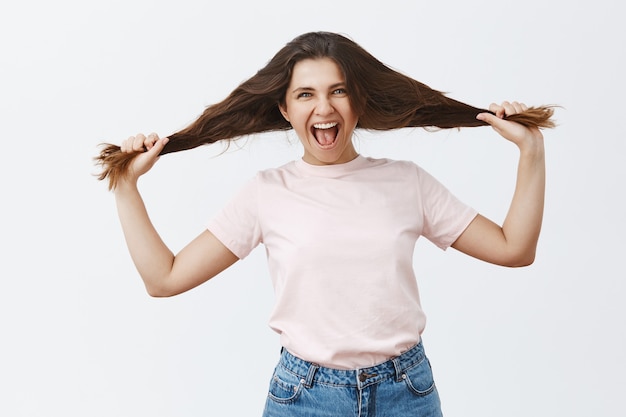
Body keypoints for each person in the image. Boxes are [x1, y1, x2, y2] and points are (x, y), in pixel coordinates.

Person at [95, 32, 554, 416]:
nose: (324, 108)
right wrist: (126, 186)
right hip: (305, 397)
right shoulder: (266, 192)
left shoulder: (406, 181)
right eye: (305, 94)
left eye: (338, 90)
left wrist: (531, 152)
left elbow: (514, 249)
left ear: (358, 100)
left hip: (406, 394)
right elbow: (164, 278)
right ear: (284, 109)